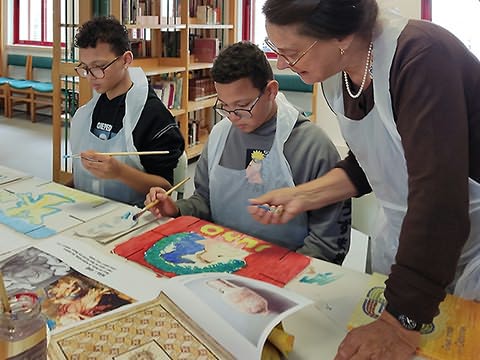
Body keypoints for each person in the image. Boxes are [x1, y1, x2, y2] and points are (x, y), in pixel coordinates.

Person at [249, 0, 480, 359]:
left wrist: (398, 324)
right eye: (275, 49)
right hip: (416, 242)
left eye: (292, 52)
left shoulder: (422, 58)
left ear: (341, 35)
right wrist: (305, 195)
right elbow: (374, 161)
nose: (281, 64)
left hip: (468, 235)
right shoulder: (339, 70)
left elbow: (439, 200)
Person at [145, 41, 351, 263]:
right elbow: (204, 200)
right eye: (224, 106)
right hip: (217, 258)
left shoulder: (311, 146)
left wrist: (279, 274)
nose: (233, 117)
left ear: (271, 91)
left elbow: (327, 244)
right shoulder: (220, 135)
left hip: (285, 268)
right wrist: (176, 208)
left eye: (243, 106)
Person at [70, 16, 184, 206]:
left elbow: (166, 188)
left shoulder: (152, 115)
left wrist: (120, 172)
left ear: (126, 60)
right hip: (88, 211)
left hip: (132, 218)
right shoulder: (89, 111)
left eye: (99, 67)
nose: (91, 77)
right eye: (85, 68)